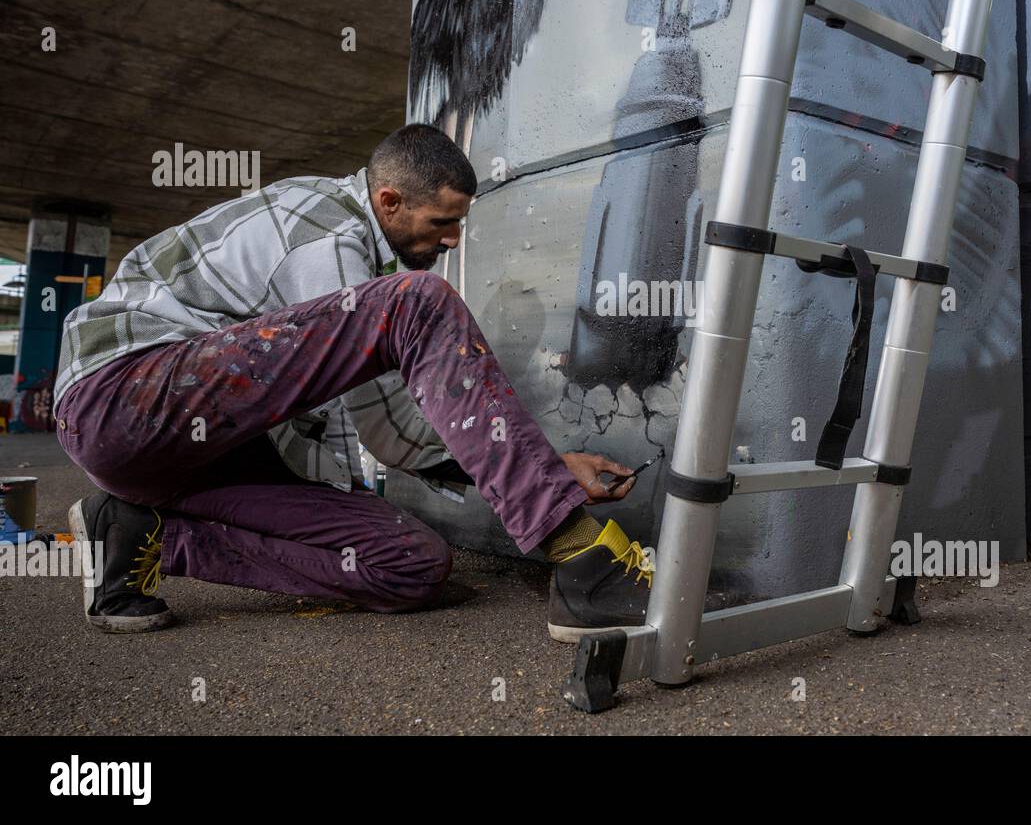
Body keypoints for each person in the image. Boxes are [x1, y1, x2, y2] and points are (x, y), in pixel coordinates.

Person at [54, 123, 654, 642]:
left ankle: (139, 534)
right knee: (420, 303)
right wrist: (545, 480)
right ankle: (581, 557)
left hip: (194, 454)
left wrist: (543, 464)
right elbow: (389, 431)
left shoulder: (357, 264)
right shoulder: (328, 237)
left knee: (410, 564)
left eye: (459, 223)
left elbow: (360, 421)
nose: (452, 240)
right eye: (442, 222)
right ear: (388, 201)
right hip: (123, 397)